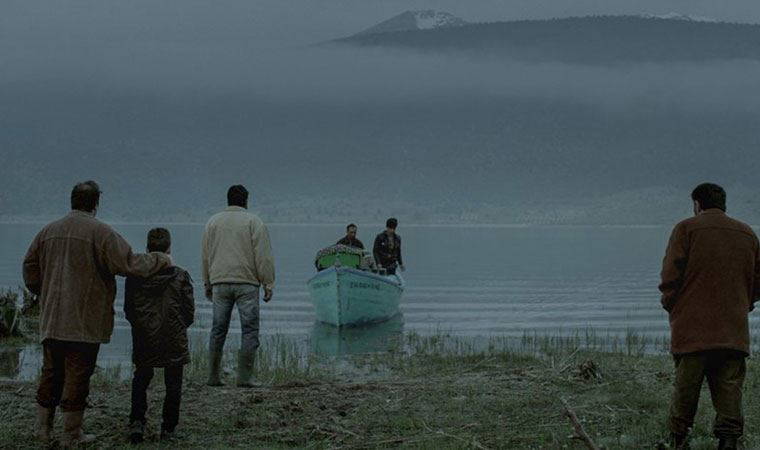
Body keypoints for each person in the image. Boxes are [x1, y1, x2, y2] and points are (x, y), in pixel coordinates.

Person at [22, 181, 172, 446]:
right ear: (96, 204)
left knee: (51, 374)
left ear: (72, 200)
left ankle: (42, 431)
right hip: (84, 321)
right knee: (78, 377)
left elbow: (30, 268)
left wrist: (44, 292)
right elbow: (130, 263)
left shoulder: (48, 231)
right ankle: (71, 434)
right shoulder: (101, 233)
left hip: (53, 319)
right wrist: (161, 258)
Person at [659, 183, 760, 450]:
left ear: (697, 204)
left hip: (692, 329)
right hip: (732, 330)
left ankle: (678, 440)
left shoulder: (686, 229)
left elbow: (670, 276)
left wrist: (672, 305)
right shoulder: (748, 233)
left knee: (686, 389)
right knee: (730, 389)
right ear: (723, 204)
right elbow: (757, 281)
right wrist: (743, 305)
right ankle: (728, 442)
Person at [124, 228, 195, 444]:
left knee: (141, 378)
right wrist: (177, 327)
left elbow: (129, 310)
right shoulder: (181, 276)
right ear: (169, 249)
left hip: (144, 336)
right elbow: (189, 313)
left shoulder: (134, 277)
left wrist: (141, 327)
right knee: (173, 383)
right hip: (173, 336)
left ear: (147, 249)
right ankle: (168, 429)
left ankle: (137, 422)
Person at [202, 185, 275, 388]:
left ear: (228, 199)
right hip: (247, 283)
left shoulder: (213, 222)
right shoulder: (254, 222)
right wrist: (268, 283)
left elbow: (206, 256)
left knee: (218, 329)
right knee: (249, 329)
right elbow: (263, 257)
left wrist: (207, 282)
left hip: (220, 281)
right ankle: (244, 378)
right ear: (246, 201)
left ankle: (213, 376)